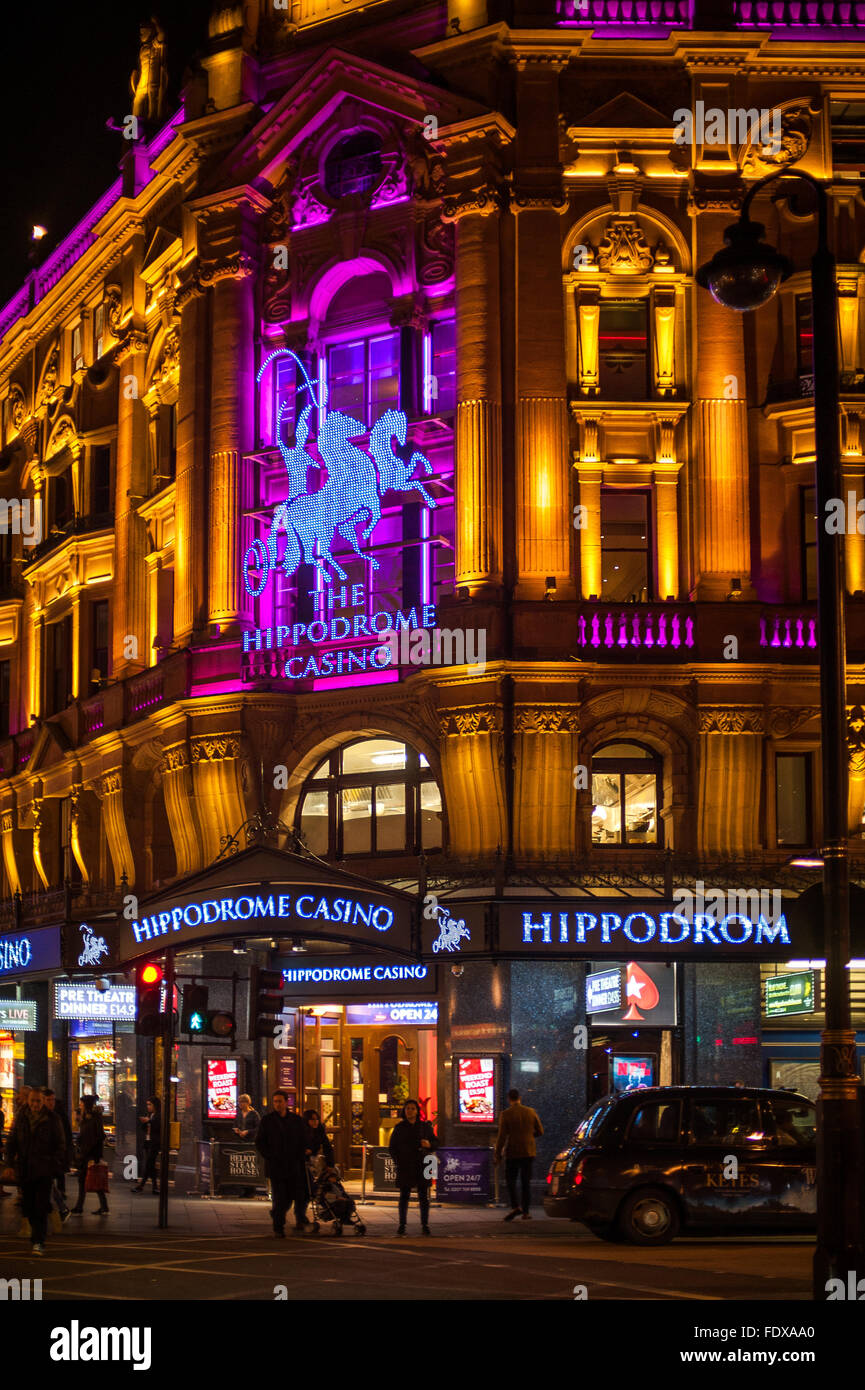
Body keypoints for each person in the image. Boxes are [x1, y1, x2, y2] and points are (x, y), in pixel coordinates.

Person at [4, 1084, 66, 1254]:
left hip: (44, 1170)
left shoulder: (52, 1119)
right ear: (29, 1101)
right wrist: (9, 1164)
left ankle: (39, 1241)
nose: (35, 1104)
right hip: (25, 1170)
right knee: (28, 1206)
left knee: (40, 1205)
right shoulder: (21, 1118)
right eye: (33, 1101)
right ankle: (36, 1236)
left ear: (43, 1102)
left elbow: (60, 1144)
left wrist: (53, 1164)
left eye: (38, 1101)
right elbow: (12, 1142)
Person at [254, 1090, 307, 1237]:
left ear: (286, 1102)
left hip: (293, 1165)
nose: (277, 1104)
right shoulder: (267, 1120)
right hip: (276, 1165)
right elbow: (260, 1141)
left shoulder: (296, 1120)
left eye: (280, 1101)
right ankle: (278, 1227)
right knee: (278, 1196)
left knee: (291, 1196)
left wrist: (300, 1156)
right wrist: (269, 1155)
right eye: (275, 1101)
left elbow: (303, 1140)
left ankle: (278, 1215)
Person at [389, 1098, 438, 1236]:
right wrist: (398, 1161)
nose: (409, 1111)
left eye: (412, 1108)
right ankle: (402, 1224)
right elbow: (392, 1147)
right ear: (404, 1111)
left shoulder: (424, 1127)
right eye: (407, 1108)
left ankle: (425, 1224)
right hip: (406, 1165)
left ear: (417, 1111)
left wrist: (429, 1145)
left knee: (423, 1196)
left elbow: (436, 1142)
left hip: (422, 1164)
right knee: (404, 1196)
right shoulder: (399, 1128)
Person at [495, 1088, 544, 1222]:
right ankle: (526, 1212)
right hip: (528, 1151)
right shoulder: (530, 1112)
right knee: (525, 1182)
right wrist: (529, 1137)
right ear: (519, 1098)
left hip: (513, 1152)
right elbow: (540, 1131)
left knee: (510, 1180)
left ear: (509, 1099)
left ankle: (516, 1206)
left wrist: (497, 1154)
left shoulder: (506, 1114)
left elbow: (501, 1136)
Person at [71, 1095, 108, 1215]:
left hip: (90, 1154)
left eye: (81, 1104)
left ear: (86, 1105)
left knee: (89, 1180)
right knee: (86, 1180)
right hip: (86, 1154)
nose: (80, 1106)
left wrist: (96, 1156)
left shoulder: (94, 1118)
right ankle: (102, 1206)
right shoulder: (86, 1118)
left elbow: (98, 1136)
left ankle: (81, 1206)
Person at [42, 1089, 73, 1219]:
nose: (51, 1103)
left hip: (49, 1158)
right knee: (48, 1186)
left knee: (48, 1184)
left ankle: (58, 1210)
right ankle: (59, 1210)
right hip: (40, 1159)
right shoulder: (32, 1115)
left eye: (52, 1100)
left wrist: (60, 1155)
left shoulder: (56, 1117)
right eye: (48, 1100)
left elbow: (63, 1138)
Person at [134, 1097, 161, 1194]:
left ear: (155, 1105)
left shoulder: (158, 1115)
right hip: (148, 1141)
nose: (148, 1107)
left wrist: (148, 1121)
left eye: (150, 1104)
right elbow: (144, 1128)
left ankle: (141, 1185)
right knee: (151, 1165)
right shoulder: (150, 1115)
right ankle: (154, 1187)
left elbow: (158, 1127)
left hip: (154, 1143)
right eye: (147, 1104)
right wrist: (145, 1122)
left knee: (149, 1163)